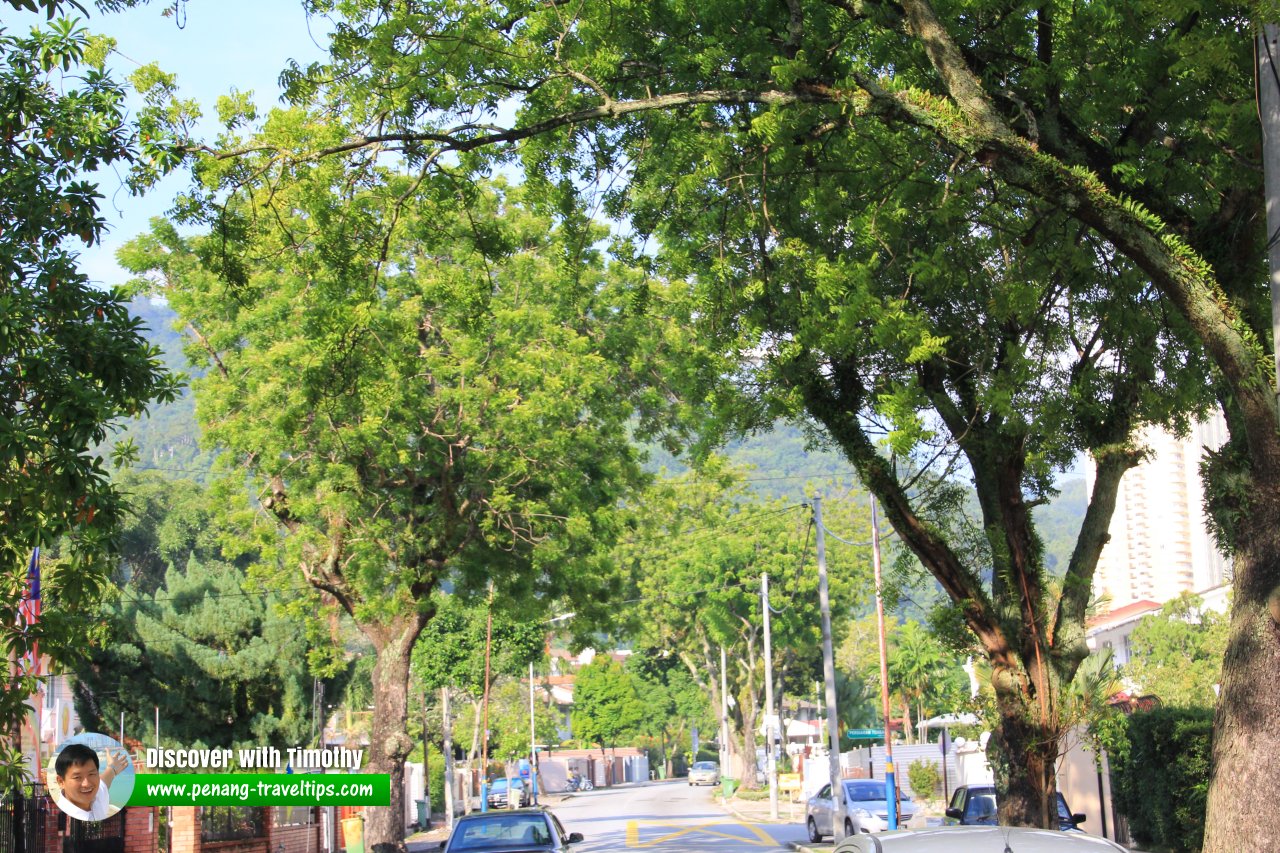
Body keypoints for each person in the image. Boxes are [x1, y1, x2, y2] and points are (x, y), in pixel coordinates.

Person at [53, 743, 130, 821]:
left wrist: (112, 768)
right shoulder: (61, 817)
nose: (87, 784)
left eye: (91, 774)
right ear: (61, 781)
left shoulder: (97, 796)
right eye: (77, 777)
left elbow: (104, 782)